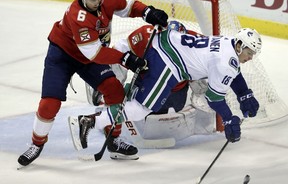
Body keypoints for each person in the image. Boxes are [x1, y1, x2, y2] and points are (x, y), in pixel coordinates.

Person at [17, 0, 168, 166]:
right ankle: (36, 144)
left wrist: (148, 12)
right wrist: (125, 59)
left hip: (91, 55)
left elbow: (129, 7)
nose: (97, 2)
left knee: (115, 91)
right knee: (50, 103)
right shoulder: (77, 15)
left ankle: (114, 140)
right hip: (63, 56)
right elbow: (94, 53)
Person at [68, 27, 262, 150]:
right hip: (169, 62)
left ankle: (96, 117)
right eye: (249, 52)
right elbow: (213, 97)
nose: (250, 57)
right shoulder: (225, 61)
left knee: (141, 105)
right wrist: (228, 119)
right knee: (139, 110)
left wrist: (243, 94)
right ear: (239, 45)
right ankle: (89, 121)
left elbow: (233, 70)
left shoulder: (227, 42)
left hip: (165, 45)